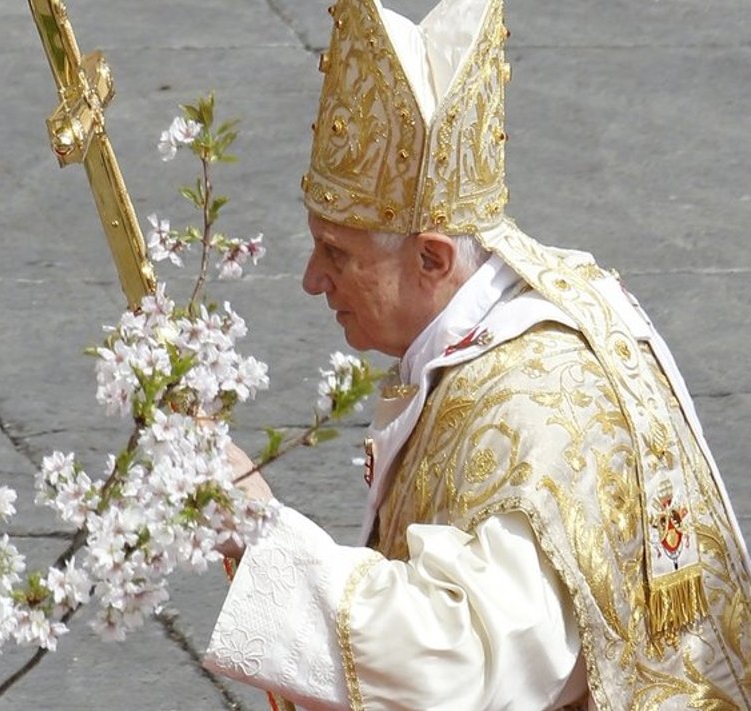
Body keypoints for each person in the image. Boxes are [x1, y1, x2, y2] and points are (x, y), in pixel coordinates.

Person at [202, 0, 751, 709]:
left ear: (432, 257)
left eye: (336, 252)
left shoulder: (538, 419)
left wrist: (257, 525)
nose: (313, 279)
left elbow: (456, 668)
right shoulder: (536, 293)